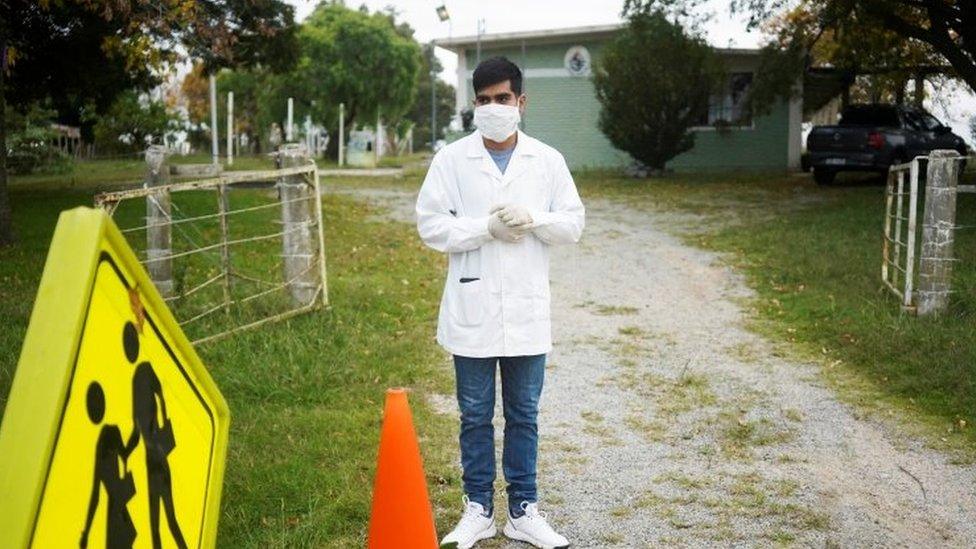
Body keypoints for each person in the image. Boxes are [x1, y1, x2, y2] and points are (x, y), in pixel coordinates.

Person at [416, 56, 584, 549]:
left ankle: (523, 511)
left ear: (521, 102)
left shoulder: (547, 160)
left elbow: (572, 224)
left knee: (524, 414)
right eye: (484, 100)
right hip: (472, 306)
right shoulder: (451, 159)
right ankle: (479, 510)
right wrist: (483, 228)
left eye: (503, 99)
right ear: (474, 104)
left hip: (528, 309)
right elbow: (431, 225)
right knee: (473, 414)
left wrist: (532, 218)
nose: (494, 108)